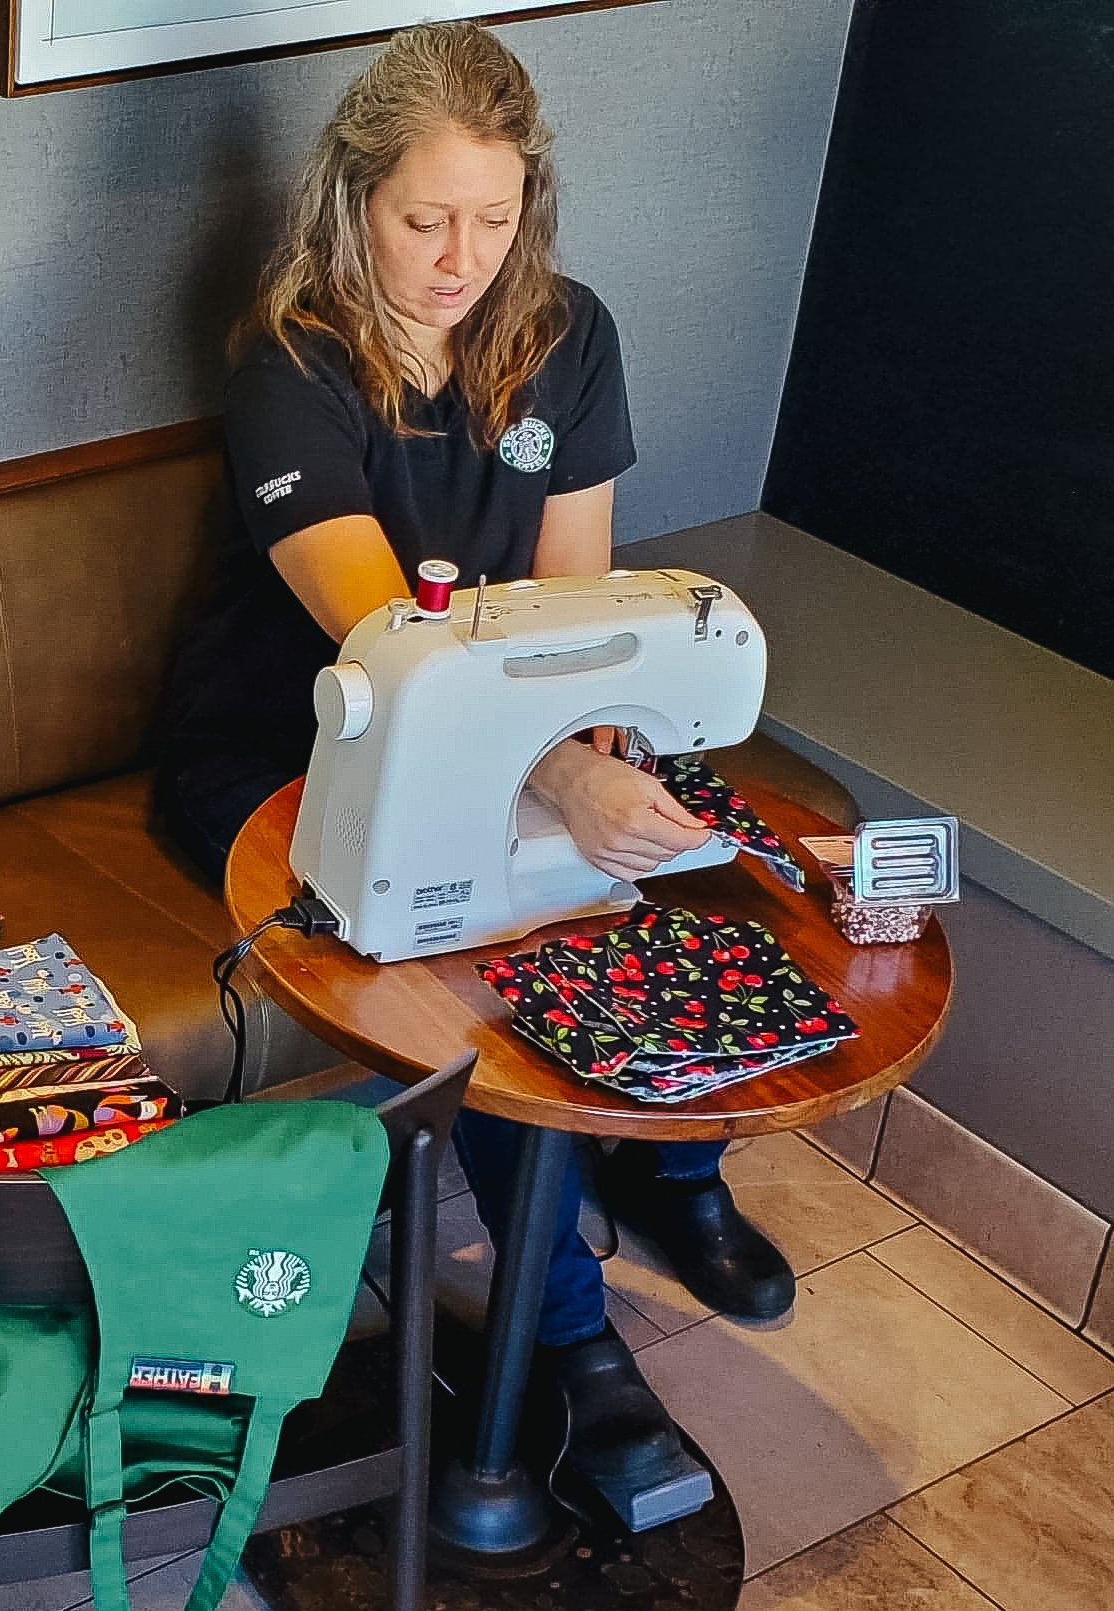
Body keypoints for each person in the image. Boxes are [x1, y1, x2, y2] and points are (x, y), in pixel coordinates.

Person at [154, 21, 795, 1512]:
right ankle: (575, 1343)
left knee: (665, 861)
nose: (458, 258)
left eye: (493, 221)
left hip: (505, 738)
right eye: (422, 219)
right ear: (350, 199)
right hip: (284, 753)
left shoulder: (568, 335)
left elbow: (583, 600)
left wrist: (596, 763)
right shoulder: (294, 363)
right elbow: (393, 649)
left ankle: (671, 1163)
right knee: (480, 953)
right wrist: (560, 780)